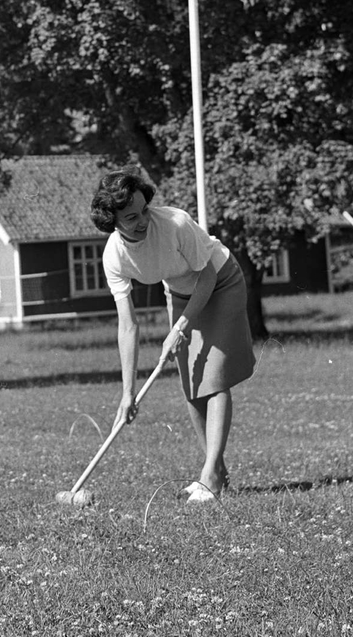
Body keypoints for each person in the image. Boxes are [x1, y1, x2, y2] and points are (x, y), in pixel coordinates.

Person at [91, 167, 255, 502]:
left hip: (221, 282)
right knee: (192, 384)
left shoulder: (175, 223)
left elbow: (207, 277)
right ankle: (217, 472)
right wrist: (127, 393)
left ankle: (209, 476)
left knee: (214, 378)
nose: (142, 221)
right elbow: (128, 325)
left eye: (144, 210)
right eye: (131, 217)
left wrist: (180, 327)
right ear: (113, 220)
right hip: (180, 294)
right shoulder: (114, 256)